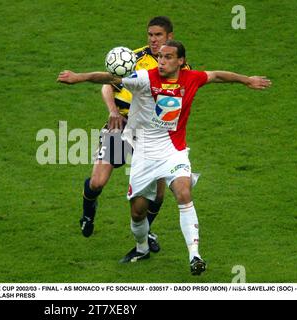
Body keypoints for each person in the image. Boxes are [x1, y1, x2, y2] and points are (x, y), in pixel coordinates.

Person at [57, 40, 271, 275]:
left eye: (168, 57)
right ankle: (141, 247)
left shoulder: (191, 78)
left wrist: (247, 80)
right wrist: (79, 77)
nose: (161, 61)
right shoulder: (144, 78)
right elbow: (108, 79)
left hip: (174, 152)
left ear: (180, 61)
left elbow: (218, 75)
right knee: (138, 213)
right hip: (143, 154)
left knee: (183, 191)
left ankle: (195, 256)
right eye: (160, 57)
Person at [81, 16, 185, 254]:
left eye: (158, 35)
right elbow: (108, 84)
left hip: (155, 134)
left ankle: (145, 233)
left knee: (157, 194)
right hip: (122, 125)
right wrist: (113, 111)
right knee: (97, 181)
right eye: (150, 35)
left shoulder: (177, 66)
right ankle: (88, 213)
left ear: (169, 36)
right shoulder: (132, 57)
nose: (153, 40)